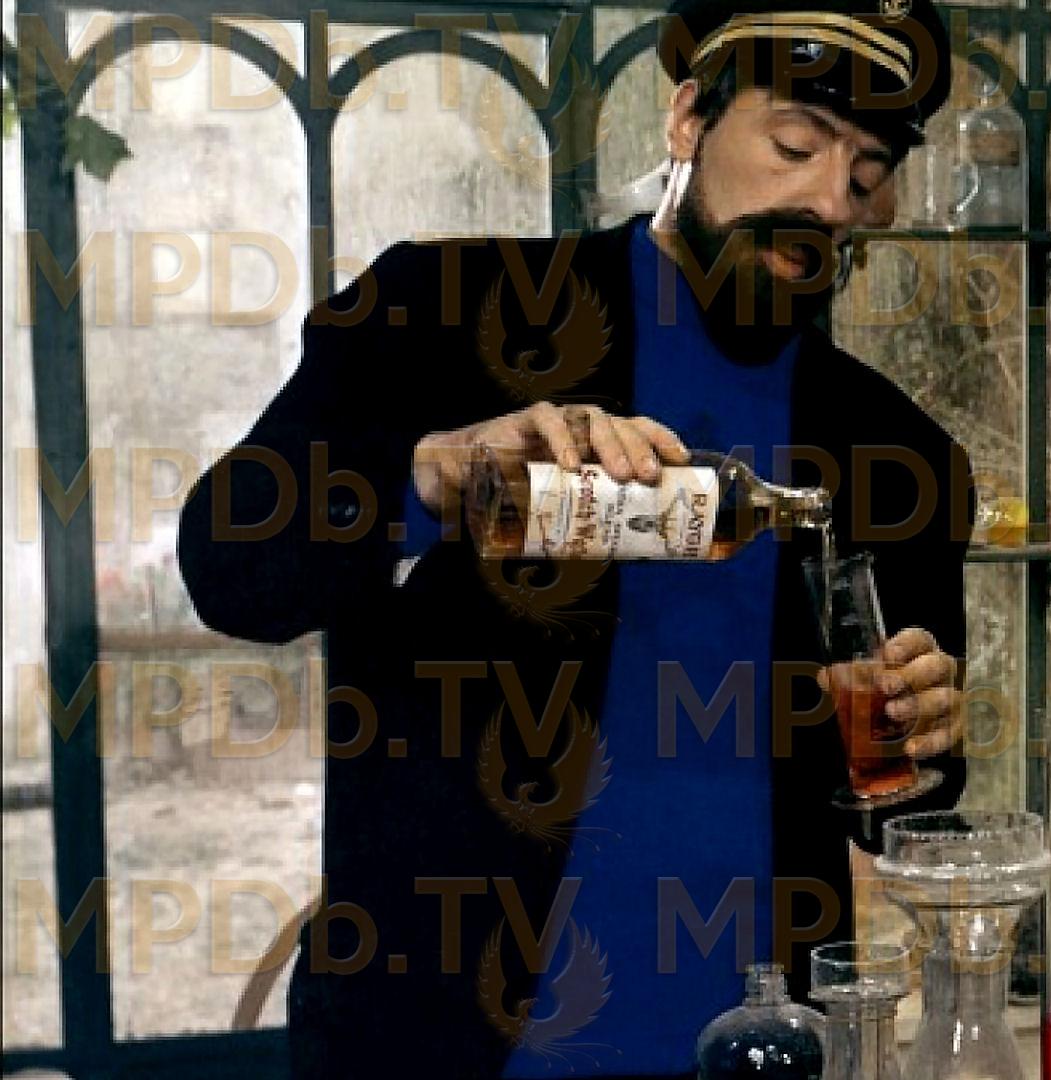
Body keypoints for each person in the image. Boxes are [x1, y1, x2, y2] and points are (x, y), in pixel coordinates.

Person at [175, 2, 972, 1076]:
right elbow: (228, 564)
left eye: (869, 172)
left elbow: (905, 802)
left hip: (757, 1047)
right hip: (442, 1044)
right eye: (795, 145)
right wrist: (433, 477)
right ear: (688, 118)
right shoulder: (442, 311)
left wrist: (923, 733)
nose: (831, 201)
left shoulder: (897, 449)